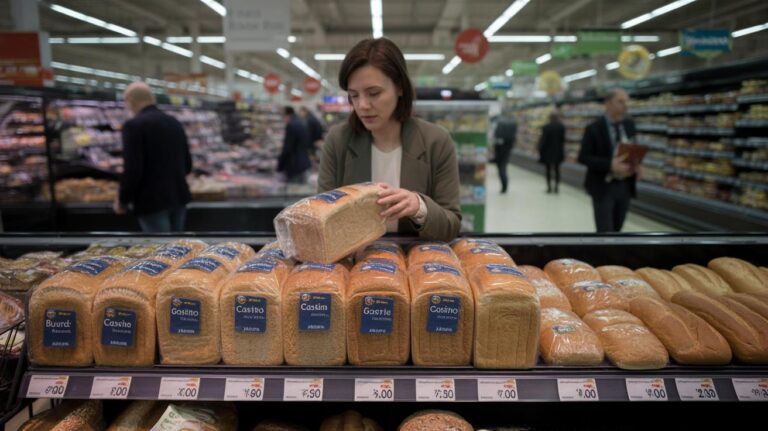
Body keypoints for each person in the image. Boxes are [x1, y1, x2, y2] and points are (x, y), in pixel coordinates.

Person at [319, 37, 461, 241]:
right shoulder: (338, 141)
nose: (362, 105)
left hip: (417, 256)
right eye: (354, 95)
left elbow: (451, 225)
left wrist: (419, 207)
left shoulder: (436, 141)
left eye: (374, 93)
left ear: (400, 87)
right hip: (357, 257)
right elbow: (322, 218)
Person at [113, 82, 192, 232]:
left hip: (151, 200)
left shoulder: (133, 126)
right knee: (178, 245)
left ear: (130, 100)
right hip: (178, 196)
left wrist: (123, 200)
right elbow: (187, 165)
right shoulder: (174, 122)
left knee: (159, 245)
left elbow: (133, 170)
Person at [578, 88, 638, 233]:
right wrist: (609, 164)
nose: (625, 105)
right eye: (620, 101)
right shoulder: (594, 128)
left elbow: (634, 148)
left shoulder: (629, 125)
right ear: (608, 103)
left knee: (618, 229)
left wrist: (637, 164)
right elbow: (583, 157)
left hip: (624, 186)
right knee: (605, 233)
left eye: (626, 101)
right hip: (603, 186)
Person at [278, 106, 311, 183]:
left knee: (293, 186)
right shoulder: (300, 122)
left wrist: (280, 164)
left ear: (287, 114)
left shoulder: (291, 125)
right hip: (303, 162)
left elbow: (287, 147)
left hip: (294, 164)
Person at [538, 110, 566, 193]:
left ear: (550, 118)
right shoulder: (561, 127)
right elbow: (563, 140)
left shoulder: (546, 127)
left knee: (548, 170)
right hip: (558, 151)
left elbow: (543, 140)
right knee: (557, 170)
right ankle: (556, 187)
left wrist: (540, 149)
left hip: (548, 152)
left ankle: (549, 187)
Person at [493, 112, 517, 194]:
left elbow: (496, 137)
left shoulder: (500, 124)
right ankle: (505, 186)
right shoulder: (513, 125)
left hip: (499, 151)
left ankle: (504, 187)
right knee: (503, 168)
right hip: (507, 150)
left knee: (501, 169)